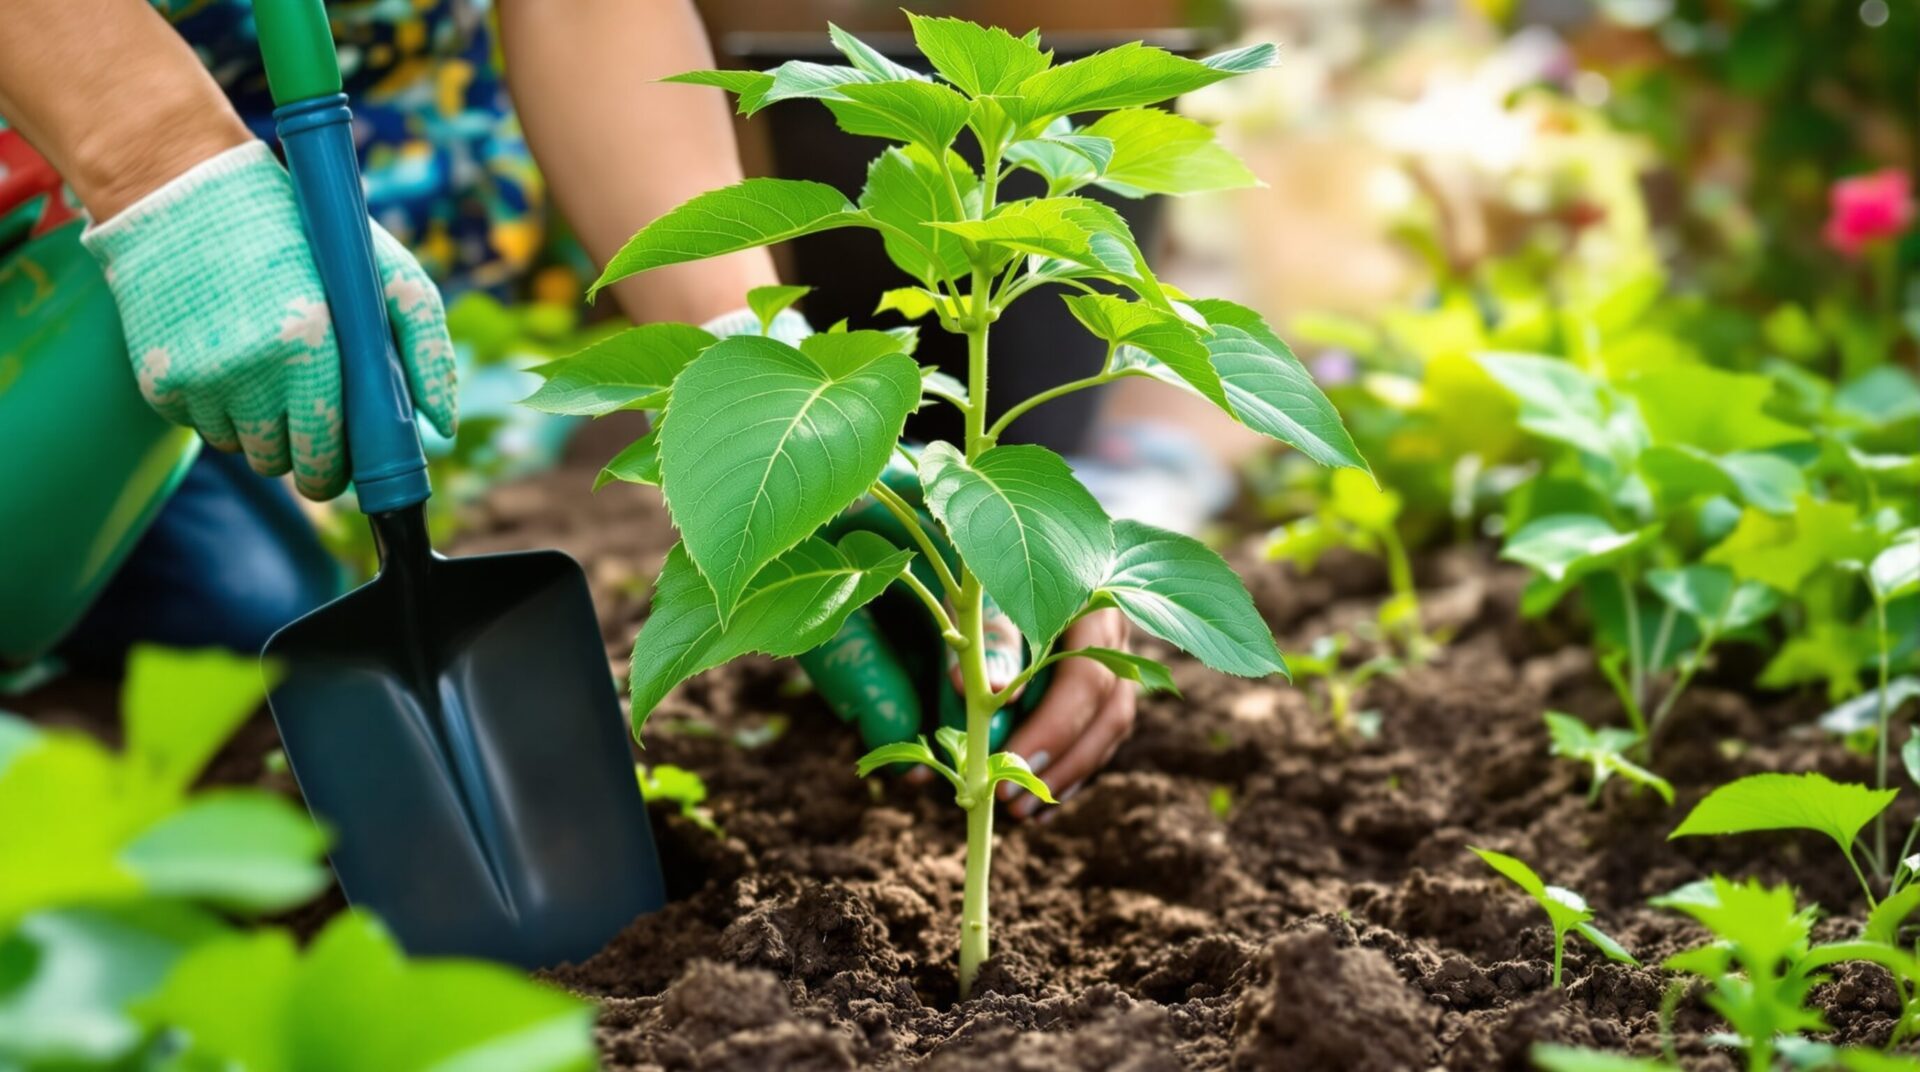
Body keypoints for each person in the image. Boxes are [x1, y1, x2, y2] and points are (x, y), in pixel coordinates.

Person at [0, 0, 1246, 815]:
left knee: (232, 617)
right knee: (30, 547)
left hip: (264, 109)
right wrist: (163, 166)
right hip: (63, 142)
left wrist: (763, 392)